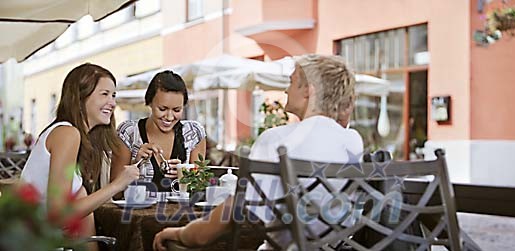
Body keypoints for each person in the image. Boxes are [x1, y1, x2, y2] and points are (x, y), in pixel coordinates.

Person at [152, 54, 364, 251]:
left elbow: (232, 214)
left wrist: (182, 233)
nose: (286, 91)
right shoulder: (353, 142)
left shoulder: (277, 140)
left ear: (308, 90)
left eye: (291, 82)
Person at [21, 63, 140, 251]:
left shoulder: (70, 135)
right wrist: (118, 184)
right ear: (81, 97)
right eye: (104, 94)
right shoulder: (67, 133)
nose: (113, 103)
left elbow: (83, 218)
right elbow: (58, 214)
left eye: (114, 95)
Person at [111, 70, 206, 193]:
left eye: (177, 110)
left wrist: (185, 177)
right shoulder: (129, 132)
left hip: (182, 212)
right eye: (162, 109)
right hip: (136, 212)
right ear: (149, 102)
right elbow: (114, 193)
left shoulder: (194, 133)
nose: (169, 117)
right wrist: (135, 163)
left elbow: (201, 188)